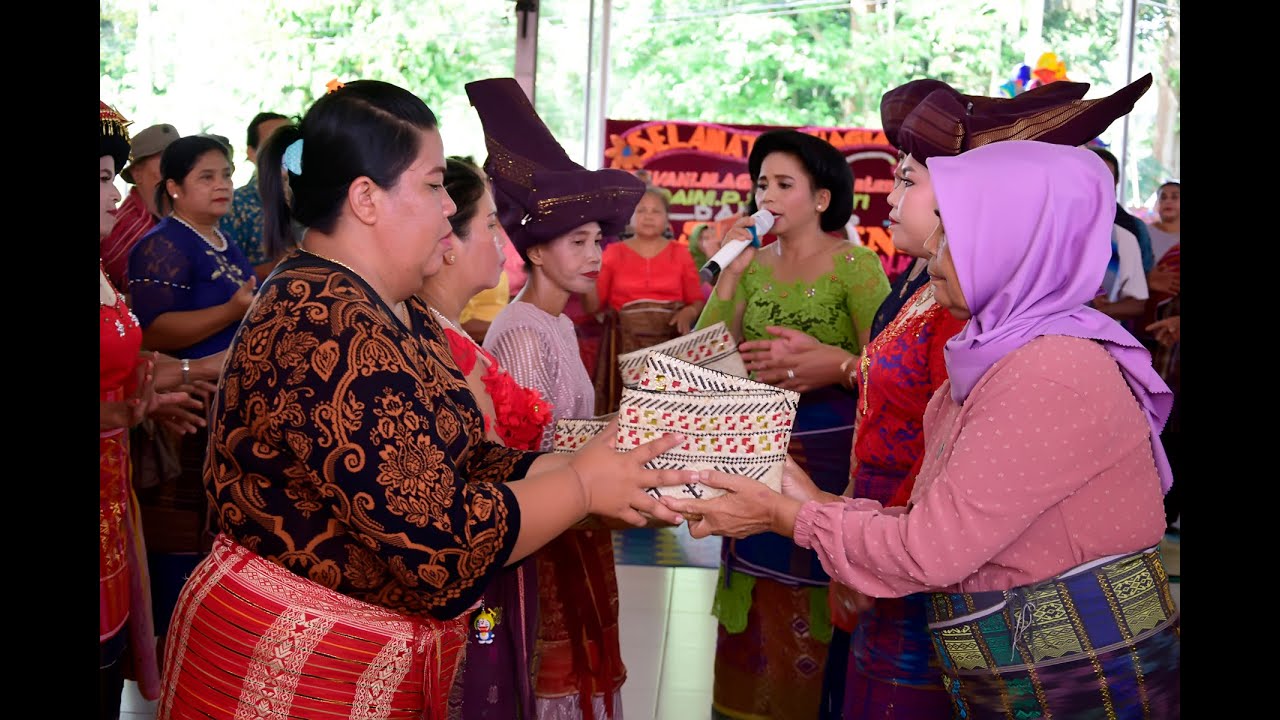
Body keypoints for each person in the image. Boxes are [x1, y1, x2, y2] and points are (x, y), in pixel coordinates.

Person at [156, 78, 691, 720]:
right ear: (366, 199)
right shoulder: (326, 323)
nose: (447, 210)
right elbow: (442, 548)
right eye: (435, 184)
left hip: (354, 668)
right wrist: (580, 487)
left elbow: (462, 461)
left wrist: (600, 469)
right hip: (293, 676)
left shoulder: (391, 308)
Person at [663, 140, 1180, 719]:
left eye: (954, 236)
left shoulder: (1048, 369)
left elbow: (929, 549)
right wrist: (811, 500)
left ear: (1014, 246)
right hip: (1018, 668)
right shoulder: (1007, 350)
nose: (933, 253)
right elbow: (937, 518)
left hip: (1070, 685)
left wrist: (787, 514)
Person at [695, 128, 891, 720]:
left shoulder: (857, 267)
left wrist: (829, 365)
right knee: (755, 608)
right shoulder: (751, 267)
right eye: (761, 185)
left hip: (829, 466)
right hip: (756, 453)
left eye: (784, 184)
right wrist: (729, 275)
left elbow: (887, 371)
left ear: (823, 198)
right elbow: (704, 357)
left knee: (815, 601)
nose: (768, 197)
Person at [470, 76, 648, 720]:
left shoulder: (559, 322)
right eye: (579, 242)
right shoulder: (521, 330)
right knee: (553, 678)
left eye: (599, 240)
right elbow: (527, 448)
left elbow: (568, 428)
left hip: (577, 513)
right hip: (550, 525)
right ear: (536, 251)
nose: (596, 255)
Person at [418, 156, 551, 719]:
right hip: (476, 557)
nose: (505, 241)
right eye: (493, 224)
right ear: (447, 241)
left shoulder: (448, 333)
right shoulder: (439, 343)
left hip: (501, 546)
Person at [99, 101, 215, 720]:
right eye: (99, 180)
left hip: (113, 493)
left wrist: (144, 404)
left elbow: (122, 367)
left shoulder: (101, 269)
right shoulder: (158, 249)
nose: (116, 193)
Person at [127, 134, 259, 652]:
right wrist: (232, 312)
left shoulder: (221, 239)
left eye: (225, 173)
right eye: (207, 176)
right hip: (183, 407)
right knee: (181, 532)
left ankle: (205, 636)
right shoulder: (162, 244)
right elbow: (153, 332)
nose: (223, 184)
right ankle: (170, 640)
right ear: (175, 188)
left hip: (224, 407)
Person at [585, 186, 705, 413]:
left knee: (665, 411)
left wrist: (688, 313)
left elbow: (696, 301)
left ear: (667, 219)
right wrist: (587, 271)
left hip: (669, 344)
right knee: (623, 412)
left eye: (655, 211)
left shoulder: (680, 253)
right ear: (629, 217)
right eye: (641, 210)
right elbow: (593, 306)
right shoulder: (612, 253)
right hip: (622, 345)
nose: (648, 216)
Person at [101, 122, 181, 291]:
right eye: (166, 160)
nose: (177, 168)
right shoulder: (124, 227)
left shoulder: (180, 215)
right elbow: (148, 297)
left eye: (179, 160)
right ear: (137, 173)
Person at [219, 111, 293, 282]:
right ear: (251, 153)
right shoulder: (234, 205)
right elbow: (224, 274)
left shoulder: (312, 196)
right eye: (274, 144)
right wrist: (282, 264)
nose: (283, 151)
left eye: (290, 143)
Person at [1086, 147, 1149, 323]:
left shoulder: (1123, 238)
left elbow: (1137, 303)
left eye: (1106, 178)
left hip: (1098, 341)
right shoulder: (1051, 232)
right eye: (1091, 176)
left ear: (1115, 184)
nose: (1097, 184)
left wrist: (1100, 311)